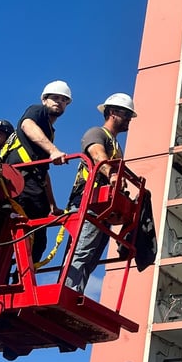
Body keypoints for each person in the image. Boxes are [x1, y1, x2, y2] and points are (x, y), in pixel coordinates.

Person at [65, 93, 136, 293]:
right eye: (126, 114)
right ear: (112, 113)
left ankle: (75, 292)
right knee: (82, 250)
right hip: (88, 200)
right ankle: (68, 291)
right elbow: (97, 155)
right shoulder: (97, 133)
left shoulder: (116, 145)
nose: (129, 119)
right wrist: (113, 175)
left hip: (104, 204)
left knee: (93, 255)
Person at [1, 80, 72, 265]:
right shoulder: (36, 112)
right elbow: (27, 125)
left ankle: (15, 275)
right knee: (25, 237)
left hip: (32, 185)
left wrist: (52, 205)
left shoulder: (48, 131)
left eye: (64, 100)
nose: (59, 102)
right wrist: (53, 150)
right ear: (44, 99)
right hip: (20, 184)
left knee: (38, 242)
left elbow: (43, 173)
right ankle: (13, 275)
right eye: (55, 98)